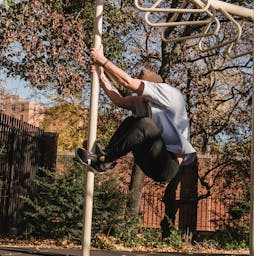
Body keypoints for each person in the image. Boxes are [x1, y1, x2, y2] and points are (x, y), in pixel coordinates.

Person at [74, 45, 196, 182]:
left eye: (139, 92)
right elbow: (119, 100)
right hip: (149, 161)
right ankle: (105, 157)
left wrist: (102, 60)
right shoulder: (143, 100)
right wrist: (102, 76)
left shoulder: (170, 94)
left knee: (145, 124)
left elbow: (127, 82)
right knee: (131, 121)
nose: (137, 96)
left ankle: (104, 160)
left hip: (168, 165)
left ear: (150, 88)